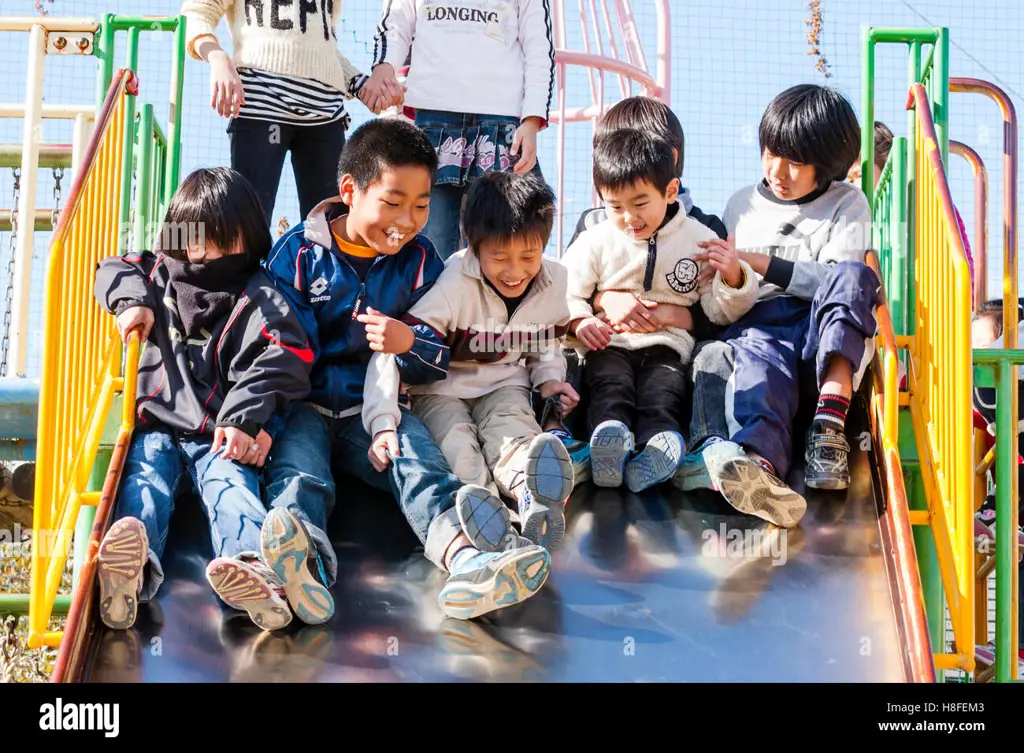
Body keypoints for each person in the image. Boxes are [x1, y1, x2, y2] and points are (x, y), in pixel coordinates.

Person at [261, 117, 552, 622]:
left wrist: (407, 342)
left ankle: (468, 561)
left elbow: (438, 356)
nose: (408, 219)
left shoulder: (420, 260)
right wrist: (261, 417)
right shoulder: (298, 254)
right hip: (302, 404)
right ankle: (301, 567)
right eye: (393, 203)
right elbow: (277, 345)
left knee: (419, 464)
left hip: (378, 408)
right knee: (298, 474)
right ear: (350, 191)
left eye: (421, 206)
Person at [92, 167, 319, 632]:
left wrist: (244, 418)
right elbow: (111, 267)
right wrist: (130, 302)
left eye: (216, 237)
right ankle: (130, 569)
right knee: (144, 479)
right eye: (191, 235)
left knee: (230, 487)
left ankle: (252, 565)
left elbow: (288, 352)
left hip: (219, 430)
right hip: (156, 422)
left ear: (245, 236)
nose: (200, 249)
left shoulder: (259, 294)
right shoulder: (155, 273)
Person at [679, 84, 880, 529]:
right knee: (757, 373)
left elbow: (834, 278)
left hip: (817, 333)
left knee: (856, 278)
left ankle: (829, 423)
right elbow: (726, 296)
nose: (778, 170)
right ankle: (758, 470)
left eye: (795, 162)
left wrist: (759, 261)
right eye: (771, 153)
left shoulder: (848, 204)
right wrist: (733, 271)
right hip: (761, 327)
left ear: (826, 165)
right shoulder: (741, 205)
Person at [364, 171, 580, 551]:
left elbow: (547, 342)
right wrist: (384, 418)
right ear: (474, 245)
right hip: (441, 390)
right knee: (458, 446)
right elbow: (394, 348)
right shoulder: (452, 283)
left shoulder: (554, 280)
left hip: (504, 382)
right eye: (499, 257)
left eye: (528, 256)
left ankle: (532, 492)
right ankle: (489, 515)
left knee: (513, 432)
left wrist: (549, 380)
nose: (515, 271)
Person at [560, 128, 759, 492]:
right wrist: (581, 319)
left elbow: (716, 311)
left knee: (663, 394)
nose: (628, 218)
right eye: (615, 206)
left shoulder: (698, 239)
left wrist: (732, 276)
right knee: (610, 386)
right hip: (611, 342)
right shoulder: (597, 239)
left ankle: (658, 452)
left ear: (669, 191)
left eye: (639, 204)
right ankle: (610, 443)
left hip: (668, 347)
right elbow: (567, 290)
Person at [180, 0, 404, 226]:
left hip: (326, 116)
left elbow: (321, 48)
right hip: (261, 108)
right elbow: (197, 13)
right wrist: (218, 58)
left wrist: (359, 84)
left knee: (331, 225)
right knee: (249, 224)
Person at [362, 0, 557, 260]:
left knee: (505, 238)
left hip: (499, 122)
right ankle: (435, 300)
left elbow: (539, 46)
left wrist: (532, 120)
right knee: (433, 242)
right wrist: (384, 67)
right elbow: (396, 23)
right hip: (433, 119)